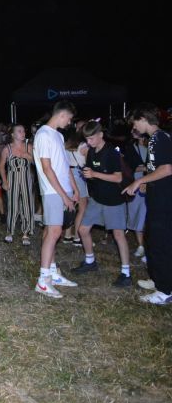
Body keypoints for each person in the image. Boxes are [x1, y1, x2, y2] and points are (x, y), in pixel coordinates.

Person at [70, 121, 132, 287]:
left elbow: (118, 177)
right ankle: (90, 261)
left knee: (118, 235)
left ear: (100, 135)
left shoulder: (111, 152)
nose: (88, 142)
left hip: (114, 200)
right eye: (87, 139)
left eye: (91, 138)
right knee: (83, 230)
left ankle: (126, 273)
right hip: (97, 199)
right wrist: (86, 174)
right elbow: (91, 172)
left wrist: (94, 174)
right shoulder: (91, 152)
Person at [123, 104, 172, 304]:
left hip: (164, 201)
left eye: (135, 123)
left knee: (161, 243)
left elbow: (167, 169)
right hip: (158, 198)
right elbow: (156, 168)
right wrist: (147, 182)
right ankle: (158, 279)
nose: (134, 127)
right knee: (153, 240)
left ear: (143, 118)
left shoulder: (159, 138)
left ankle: (165, 290)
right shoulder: (157, 138)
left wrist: (139, 181)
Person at [33, 101, 80, 298]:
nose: (69, 123)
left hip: (63, 189)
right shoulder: (43, 135)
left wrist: (74, 189)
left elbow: (64, 166)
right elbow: (47, 168)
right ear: (62, 115)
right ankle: (43, 281)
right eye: (69, 119)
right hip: (52, 191)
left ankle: (52, 273)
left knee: (52, 232)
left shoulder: (58, 135)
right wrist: (63, 195)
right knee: (53, 232)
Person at [0, 124, 35, 245]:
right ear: (13, 135)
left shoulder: (29, 146)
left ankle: (26, 232)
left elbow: (37, 163)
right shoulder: (7, 149)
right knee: (13, 205)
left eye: (24, 131)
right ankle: (10, 231)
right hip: (12, 178)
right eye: (19, 131)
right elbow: (1, 166)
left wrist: (29, 157)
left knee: (27, 205)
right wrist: (4, 181)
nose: (23, 133)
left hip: (26, 178)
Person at [123, 131, 148, 258]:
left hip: (151, 185)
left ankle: (148, 246)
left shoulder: (153, 148)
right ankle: (141, 245)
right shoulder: (131, 148)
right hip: (135, 184)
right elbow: (127, 166)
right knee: (137, 214)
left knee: (146, 215)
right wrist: (144, 168)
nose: (133, 131)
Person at [63, 131, 89, 246]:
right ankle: (77, 237)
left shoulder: (66, 145)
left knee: (71, 205)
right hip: (78, 175)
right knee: (82, 208)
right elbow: (88, 163)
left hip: (68, 175)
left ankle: (67, 235)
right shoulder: (84, 146)